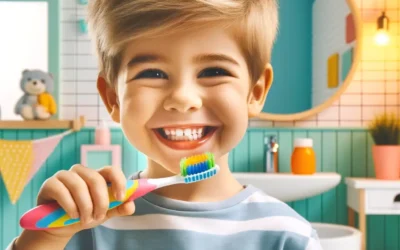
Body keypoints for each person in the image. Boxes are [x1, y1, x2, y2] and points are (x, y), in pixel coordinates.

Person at [9, 0, 322, 249]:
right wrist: (44, 241)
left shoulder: (288, 236)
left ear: (255, 92)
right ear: (112, 99)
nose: (183, 98)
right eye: (152, 73)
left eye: (213, 71)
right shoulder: (85, 227)